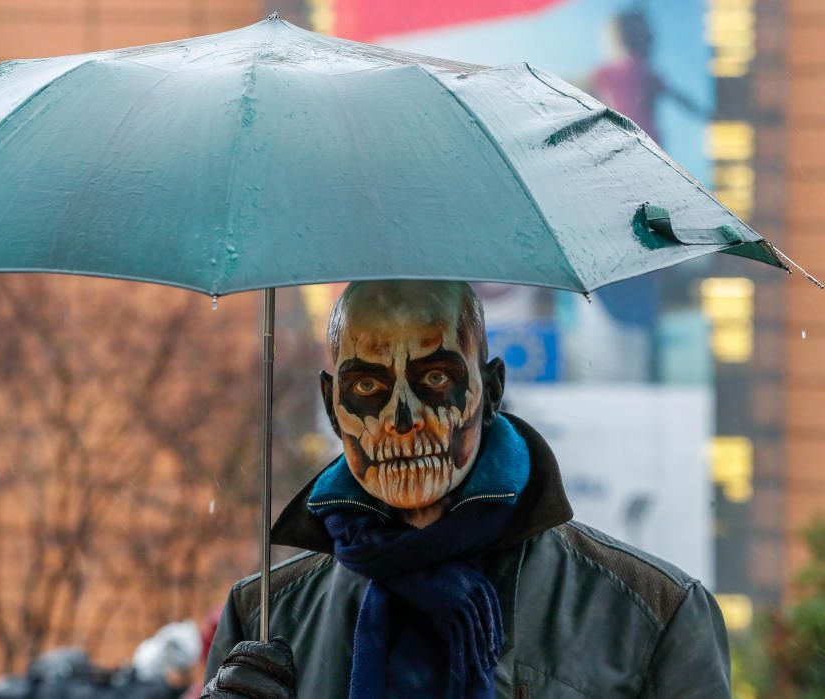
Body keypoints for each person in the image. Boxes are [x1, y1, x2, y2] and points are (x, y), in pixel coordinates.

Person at [201, 280, 730, 698]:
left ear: (491, 389)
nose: (401, 421)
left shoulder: (651, 614)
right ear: (330, 404)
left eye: (434, 379)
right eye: (367, 386)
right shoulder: (266, 616)